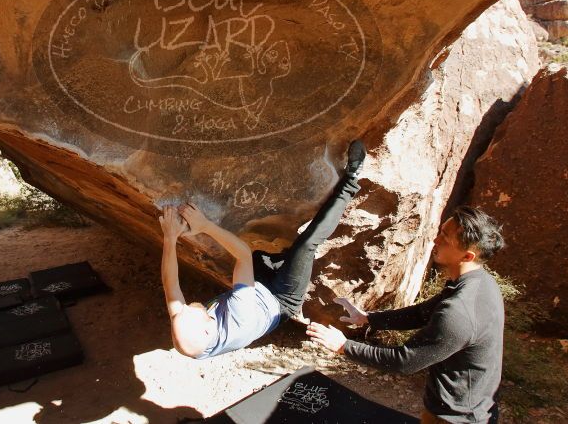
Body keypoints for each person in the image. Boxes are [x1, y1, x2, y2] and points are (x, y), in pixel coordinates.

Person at [159, 140, 366, 359]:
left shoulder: (188, 333)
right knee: (305, 246)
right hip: (282, 300)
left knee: (262, 255)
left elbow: (169, 283)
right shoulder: (239, 317)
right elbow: (242, 254)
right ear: (207, 330)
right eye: (192, 310)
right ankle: (351, 181)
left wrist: (170, 237)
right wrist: (205, 226)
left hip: (259, 289)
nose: (187, 306)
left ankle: (288, 261)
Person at [307, 207, 505, 424]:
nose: (435, 240)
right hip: (474, 408)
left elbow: (405, 362)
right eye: (440, 231)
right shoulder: (480, 282)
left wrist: (344, 346)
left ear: (467, 255)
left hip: (454, 418)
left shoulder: (460, 312)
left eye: (445, 238)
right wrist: (369, 318)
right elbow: (421, 313)